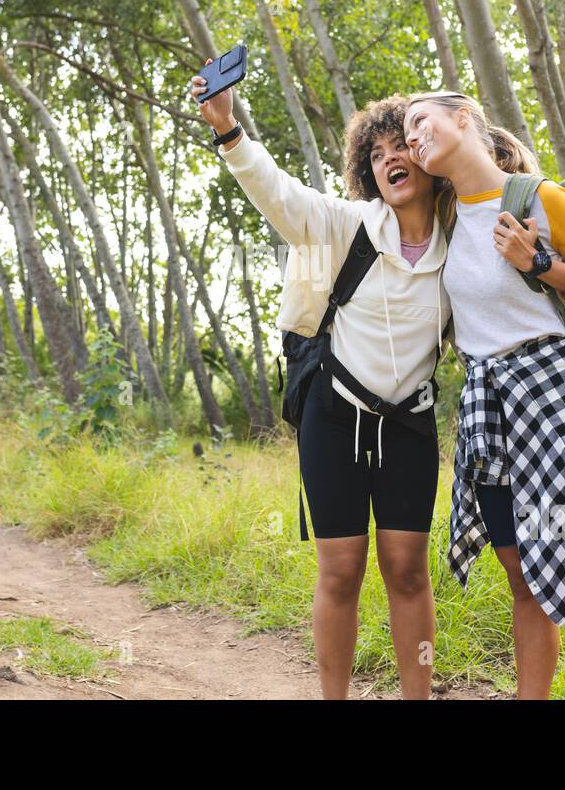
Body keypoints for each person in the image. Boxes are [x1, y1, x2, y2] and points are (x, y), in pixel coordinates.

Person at [191, 62, 449, 699]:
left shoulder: (460, 242)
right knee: (340, 571)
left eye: (403, 149)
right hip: (333, 416)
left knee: (409, 571)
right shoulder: (348, 223)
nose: (391, 159)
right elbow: (278, 194)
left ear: (426, 162)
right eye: (378, 153)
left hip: (410, 422)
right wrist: (229, 130)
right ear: (368, 171)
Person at [403, 90, 565, 699]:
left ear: (462, 118)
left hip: (552, 396)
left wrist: (541, 265)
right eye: (405, 137)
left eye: (419, 123)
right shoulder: (447, 214)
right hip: (487, 405)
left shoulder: (540, 196)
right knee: (521, 574)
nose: (413, 140)